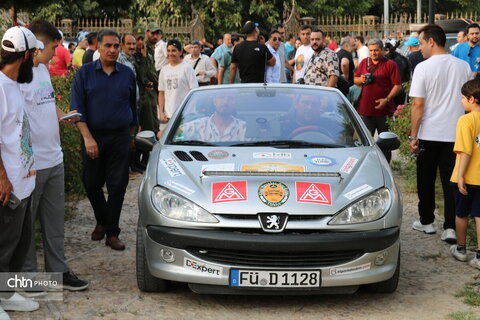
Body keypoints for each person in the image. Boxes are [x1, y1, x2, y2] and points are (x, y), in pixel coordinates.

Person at [19, 20, 89, 293]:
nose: (56, 53)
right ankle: (26, 279)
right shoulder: (17, 77)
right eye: (52, 47)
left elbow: (47, 104)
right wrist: (26, 162)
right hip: (32, 164)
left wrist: (65, 116)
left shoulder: (44, 72)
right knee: (27, 226)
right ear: (36, 47)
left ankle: (58, 272)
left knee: (54, 222)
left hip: (54, 159)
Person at [71, 29, 137, 251]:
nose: (113, 50)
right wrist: (88, 138)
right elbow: (77, 109)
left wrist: (132, 135)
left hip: (119, 136)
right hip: (93, 136)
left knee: (118, 185)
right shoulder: (85, 73)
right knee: (91, 183)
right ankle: (102, 219)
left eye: (116, 46)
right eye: (108, 45)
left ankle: (111, 232)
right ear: (98, 47)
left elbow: (132, 106)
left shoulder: (127, 74)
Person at [409, 24, 472, 242]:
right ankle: (451, 227)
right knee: (451, 181)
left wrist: (413, 136)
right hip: (456, 133)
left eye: (421, 43)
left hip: (429, 133)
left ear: (431, 42)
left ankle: (426, 221)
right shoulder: (463, 66)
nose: (420, 47)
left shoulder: (423, 68)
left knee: (425, 179)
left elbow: (418, 104)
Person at [0, 26, 40, 319]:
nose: (36, 59)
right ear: (24, 55)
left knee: (18, 244)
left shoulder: (15, 85)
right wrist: (2, 177)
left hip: (24, 181)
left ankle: (6, 294)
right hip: (7, 185)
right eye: (34, 53)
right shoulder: (0, 86)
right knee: (2, 245)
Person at [353, 38, 401, 162]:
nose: (373, 53)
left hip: (384, 111)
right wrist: (362, 80)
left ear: (383, 50)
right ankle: (368, 166)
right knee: (365, 143)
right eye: (371, 50)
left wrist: (387, 99)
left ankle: (385, 167)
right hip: (365, 111)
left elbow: (397, 85)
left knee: (386, 143)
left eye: (376, 50)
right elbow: (355, 79)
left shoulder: (390, 65)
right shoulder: (364, 62)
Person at [449, 78, 480, 268]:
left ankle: (461, 249)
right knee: (479, 215)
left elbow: (465, 150)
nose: (461, 101)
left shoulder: (465, 120)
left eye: (462, 97)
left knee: (461, 214)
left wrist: (460, 176)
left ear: (471, 99)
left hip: (466, 177)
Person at [158, 39, 198, 135]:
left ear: (180, 52)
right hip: (168, 116)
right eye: (169, 50)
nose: (171, 53)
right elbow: (161, 93)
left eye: (174, 50)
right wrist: (161, 112)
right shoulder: (164, 70)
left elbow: (194, 92)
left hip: (184, 116)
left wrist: (188, 113)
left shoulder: (187, 68)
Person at [180, 94, 246, 142]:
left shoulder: (244, 128)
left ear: (235, 103)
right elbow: (175, 135)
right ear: (214, 101)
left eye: (230, 98)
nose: (225, 102)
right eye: (221, 97)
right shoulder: (197, 125)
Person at [132, 26, 159, 137]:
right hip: (141, 93)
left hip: (151, 91)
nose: (140, 42)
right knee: (144, 127)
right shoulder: (133, 55)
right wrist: (143, 58)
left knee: (154, 124)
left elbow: (151, 69)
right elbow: (141, 76)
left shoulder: (148, 51)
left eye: (142, 39)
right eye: (137, 39)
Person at [384, 38, 410, 106]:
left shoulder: (385, 60)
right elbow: (407, 76)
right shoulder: (404, 59)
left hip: (389, 90)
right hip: (401, 90)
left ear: (388, 49)